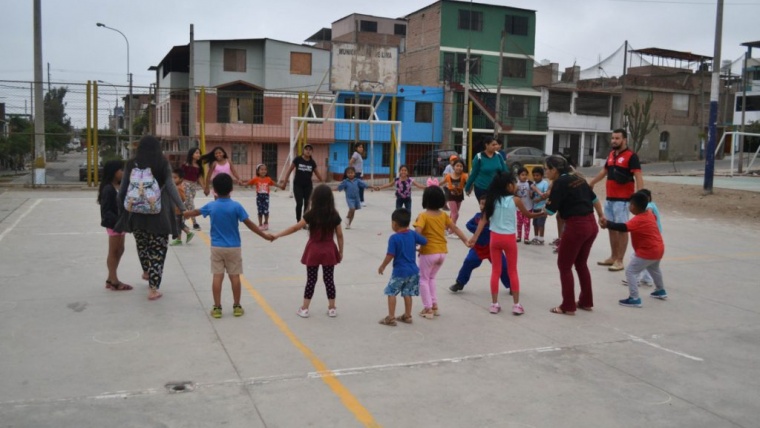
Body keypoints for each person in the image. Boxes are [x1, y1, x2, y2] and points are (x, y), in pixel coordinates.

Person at [184, 174, 275, 318]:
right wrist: (265, 236)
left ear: (214, 190)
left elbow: (195, 212)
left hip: (216, 247)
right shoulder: (236, 206)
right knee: (235, 277)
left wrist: (183, 213)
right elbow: (250, 224)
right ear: (231, 189)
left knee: (217, 277)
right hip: (234, 247)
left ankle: (217, 307)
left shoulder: (211, 206)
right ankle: (237, 306)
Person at [115, 136, 186, 301]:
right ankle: (153, 288)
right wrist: (182, 207)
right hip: (159, 216)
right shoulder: (162, 164)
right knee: (158, 250)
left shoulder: (131, 164)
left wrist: (123, 211)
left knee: (142, 245)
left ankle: (146, 271)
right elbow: (170, 186)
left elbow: (123, 190)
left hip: (137, 215)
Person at [468, 171, 543, 315]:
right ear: (508, 185)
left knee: (495, 271)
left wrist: (474, 238)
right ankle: (516, 305)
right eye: (513, 183)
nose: (515, 185)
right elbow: (528, 215)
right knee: (512, 271)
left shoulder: (491, 200)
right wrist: (542, 213)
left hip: (494, 238)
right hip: (509, 239)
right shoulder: (515, 200)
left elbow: (483, 220)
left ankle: (494, 304)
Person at [543, 155, 604, 315]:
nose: (545, 172)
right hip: (591, 224)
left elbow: (549, 211)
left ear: (554, 170)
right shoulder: (578, 178)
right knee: (581, 264)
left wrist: (532, 212)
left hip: (576, 226)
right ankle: (586, 301)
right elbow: (595, 198)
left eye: (546, 169)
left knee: (564, 266)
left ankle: (567, 305)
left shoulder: (559, 183)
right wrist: (601, 216)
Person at [274, 184, 343, 318]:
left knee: (311, 279)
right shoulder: (334, 214)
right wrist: (340, 251)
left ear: (314, 198)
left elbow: (295, 228)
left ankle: (305, 308)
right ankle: (332, 308)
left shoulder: (311, 214)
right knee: (329, 279)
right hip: (329, 250)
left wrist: (278, 235)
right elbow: (339, 234)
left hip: (314, 250)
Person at [588, 129, 644, 271]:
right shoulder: (611, 155)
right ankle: (613, 256)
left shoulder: (632, 156)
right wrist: (591, 183)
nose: (614, 141)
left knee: (622, 230)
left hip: (623, 200)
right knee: (610, 227)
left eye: (617, 138)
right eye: (613, 138)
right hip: (610, 198)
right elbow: (604, 172)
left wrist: (641, 196)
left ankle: (619, 260)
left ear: (624, 140)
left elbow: (638, 176)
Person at [601, 191, 667, 308]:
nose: (629, 206)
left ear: (634, 207)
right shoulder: (649, 214)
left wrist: (607, 224)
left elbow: (623, 227)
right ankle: (660, 290)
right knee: (654, 269)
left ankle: (634, 298)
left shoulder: (639, 219)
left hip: (647, 251)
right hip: (658, 249)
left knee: (631, 271)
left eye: (630, 204)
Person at [414, 186, 470, 319]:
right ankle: (434, 306)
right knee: (432, 278)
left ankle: (428, 309)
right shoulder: (443, 215)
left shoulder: (423, 216)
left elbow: (418, 232)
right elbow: (454, 227)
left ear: (425, 200)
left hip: (428, 252)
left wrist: (416, 245)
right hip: (442, 253)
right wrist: (465, 241)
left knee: (423, 279)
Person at [449, 196, 510, 293]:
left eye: (485, 204)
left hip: (493, 248)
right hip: (478, 248)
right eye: (481, 203)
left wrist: (484, 230)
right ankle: (459, 283)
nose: (482, 206)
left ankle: (511, 285)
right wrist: (479, 230)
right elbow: (468, 225)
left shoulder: (495, 218)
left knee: (503, 266)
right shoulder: (477, 216)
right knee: (468, 262)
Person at [377, 209, 428, 326]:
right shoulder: (412, 234)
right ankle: (407, 316)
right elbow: (425, 241)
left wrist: (383, 266)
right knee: (407, 293)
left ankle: (391, 318)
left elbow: (390, 254)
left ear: (395, 224)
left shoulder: (394, 238)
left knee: (391, 292)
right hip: (413, 271)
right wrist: (417, 248)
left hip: (400, 271)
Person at [98, 160, 132, 291]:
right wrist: (117, 222)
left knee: (120, 250)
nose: (123, 173)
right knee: (113, 251)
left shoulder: (118, 186)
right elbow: (106, 210)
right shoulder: (108, 189)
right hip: (114, 224)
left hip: (120, 223)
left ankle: (110, 277)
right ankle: (114, 280)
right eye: (121, 170)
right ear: (113, 172)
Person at [622, 188, 661, 288]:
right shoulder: (651, 205)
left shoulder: (648, 208)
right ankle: (648, 280)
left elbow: (626, 227)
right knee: (651, 264)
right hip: (654, 236)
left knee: (636, 260)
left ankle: (636, 282)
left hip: (649, 238)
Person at [281, 144, 324, 222]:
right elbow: (289, 170)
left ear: (312, 152)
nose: (308, 151)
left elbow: (317, 173)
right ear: (303, 151)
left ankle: (304, 222)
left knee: (307, 204)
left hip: (308, 186)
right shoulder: (298, 159)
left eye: (310, 150)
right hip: (298, 185)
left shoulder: (312, 162)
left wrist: (323, 183)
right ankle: (298, 220)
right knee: (299, 203)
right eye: (306, 149)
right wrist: (284, 182)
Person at [246, 164, 285, 231]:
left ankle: (266, 223)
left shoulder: (268, 179)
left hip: (266, 197)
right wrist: (242, 183)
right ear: (258, 171)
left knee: (266, 211)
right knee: (260, 211)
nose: (263, 171)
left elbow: (274, 183)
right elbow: (248, 183)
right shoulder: (256, 179)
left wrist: (281, 186)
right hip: (259, 197)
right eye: (261, 169)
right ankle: (260, 224)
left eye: (265, 169)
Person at [182, 147, 205, 231]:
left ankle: (181, 221)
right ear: (191, 154)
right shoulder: (186, 164)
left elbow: (199, 178)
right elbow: (181, 176)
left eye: (199, 153)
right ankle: (195, 223)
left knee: (187, 204)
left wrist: (204, 188)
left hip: (193, 186)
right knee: (191, 204)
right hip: (185, 185)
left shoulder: (198, 166)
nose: (198, 155)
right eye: (196, 153)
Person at [170, 168, 195, 246]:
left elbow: (183, 198)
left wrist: (177, 200)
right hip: (176, 209)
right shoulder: (175, 186)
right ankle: (189, 233)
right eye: (172, 177)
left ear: (181, 179)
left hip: (178, 210)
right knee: (180, 224)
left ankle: (179, 239)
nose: (173, 179)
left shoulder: (178, 188)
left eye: (175, 178)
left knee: (177, 225)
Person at [442, 159, 467, 230]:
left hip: (459, 197)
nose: (459, 167)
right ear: (453, 167)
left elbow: (469, 182)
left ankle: (446, 228)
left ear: (463, 168)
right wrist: (433, 185)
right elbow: (442, 182)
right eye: (457, 166)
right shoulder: (448, 176)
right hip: (451, 197)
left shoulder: (464, 176)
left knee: (453, 214)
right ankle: (452, 231)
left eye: (461, 166)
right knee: (455, 214)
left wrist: (469, 189)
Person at [529, 166, 550, 245]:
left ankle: (541, 239)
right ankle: (536, 237)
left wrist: (539, 199)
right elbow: (532, 195)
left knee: (541, 223)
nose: (535, 177)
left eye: (537, 175)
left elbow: (546, 195)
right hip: (535, 207)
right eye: (534, 175)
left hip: (542, 207)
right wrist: (531, 194)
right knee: (535, 223)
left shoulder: (545, 183)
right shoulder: (533, 184)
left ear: (542, 175)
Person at [514, 167, 534, 244]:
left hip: (528, 207)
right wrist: (516, 189)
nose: (524, 176)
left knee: (527, 223)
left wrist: (531, 194)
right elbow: (513, 194)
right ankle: (519, 236)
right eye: (522, 175)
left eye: (526, 174)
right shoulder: (516, 184)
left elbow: (532, 195)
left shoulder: (529, 183)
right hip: (519, 208)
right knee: (519, 223)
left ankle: (526, 238)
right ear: (519, 176)